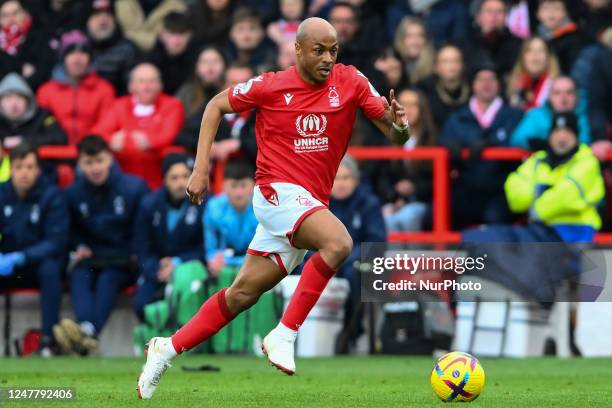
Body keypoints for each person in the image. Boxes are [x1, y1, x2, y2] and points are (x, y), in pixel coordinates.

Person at [137, 17, 411, 399]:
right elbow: (215, 106)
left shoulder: (351, 81)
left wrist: (400, 126)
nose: (328, 58)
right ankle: (284, 333)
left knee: (241, 295)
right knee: (339, 243)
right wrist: (201, 169)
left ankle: (164, 349)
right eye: (319, 50)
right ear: (297, 49)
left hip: (309, 203)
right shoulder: (270, 85)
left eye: (333, 50)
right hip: (276, 193)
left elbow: (396, 136)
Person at [56, 135, 149, 355]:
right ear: (80, 164)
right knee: (79, 274)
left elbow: (143, 231)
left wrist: (137, 256)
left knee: (109, 277)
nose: (95, 168)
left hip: (123, 261)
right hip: (91, 257)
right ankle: (87, 332)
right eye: (89, 163)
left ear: (110, 159)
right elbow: (69, 230)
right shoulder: (73, 194)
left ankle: (86, 331)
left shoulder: (134, 188)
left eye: (99, 161)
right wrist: (78, 245)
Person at [0, 143, 69, 355]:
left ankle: (48, 341)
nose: (24, 173)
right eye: (19, 167)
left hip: (36, 264)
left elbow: (56, 241)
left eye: (30, 167)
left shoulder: (52, 196)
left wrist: (22, 257)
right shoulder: (1, 194)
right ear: (10, 169)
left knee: (50, 269)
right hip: (7, 266)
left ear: (37, 170)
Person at [440, 66, 523, 229]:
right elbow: (444, 144)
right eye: (481, 79)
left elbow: (521, 144)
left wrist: (491, 143)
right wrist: (450, 147)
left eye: (491, 79)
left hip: (502, 190)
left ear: (499, 85)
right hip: (466, 189)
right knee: (435, 215)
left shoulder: (514, 116)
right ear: (473, 85)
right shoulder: (458, 118)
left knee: (495, 218)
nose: (486, 84)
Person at [132, 153, 204, 319]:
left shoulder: (203, 203)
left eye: (185, 176)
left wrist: (178, 262)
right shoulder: (148, 205)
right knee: (141, 305)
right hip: (156, 269)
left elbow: (204, 247)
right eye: (174, 177)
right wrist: (156, 268)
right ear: (164, 180)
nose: (181, 183)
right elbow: (141, 246)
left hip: (188, 268)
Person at [91, 63, 185, 188]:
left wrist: (150, 141)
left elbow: (169, 135)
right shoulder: (119, 106)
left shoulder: (172, 105)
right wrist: (110, 141)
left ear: (160, 85)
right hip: (123, 178)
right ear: (131, 86)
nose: (147, 86)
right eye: (141, 81)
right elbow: (97, 134)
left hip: (160, 179)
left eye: (152, 81)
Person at [329, 155, 386, 348]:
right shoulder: (319, 202)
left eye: (346, 178)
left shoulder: (368, 203)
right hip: (325, 257)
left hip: (355, 261)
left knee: (355, 273)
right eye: (336, 178)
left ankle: (350, 332)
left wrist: (343, 257)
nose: (341, 184)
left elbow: (376, 242)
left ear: (355, 180)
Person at [37, 30, 116, 145]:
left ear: (90, 59)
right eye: (71, 53)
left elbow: (107, 125)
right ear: (63, 58)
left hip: (92, 152)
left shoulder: (104, 89)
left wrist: (87, 144)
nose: (77, 59)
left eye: (83, 53)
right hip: (54, 153)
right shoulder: (46, 91)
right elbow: (41, 126)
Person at [204, 160, 258, 278]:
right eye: (233, 186)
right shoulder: (214, 208)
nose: (239, 193)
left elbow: (265, 254)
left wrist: (230, 261)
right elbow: (210, 250)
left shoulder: (263, 208)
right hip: (223, 268)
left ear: (254, 186)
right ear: (224, 186)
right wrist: (213, 260)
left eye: (243, 186)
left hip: (254, 266)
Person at [511, 76, 591, 149]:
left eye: (569, 92)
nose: (563, 98)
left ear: (577, 96)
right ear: (549, 96)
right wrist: (548, 146)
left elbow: (586, 142)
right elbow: (518, 139)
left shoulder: (587, 118)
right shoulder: (536, 116)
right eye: (557, 93)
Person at [0, 0, 56, 90]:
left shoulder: (41, 38)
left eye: (15, 13)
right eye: (5, 15)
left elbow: (43, 72)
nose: (11, 18)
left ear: (26, 13)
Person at [0, 73, 66, 149]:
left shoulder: (42, 116)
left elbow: (60, 138)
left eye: (20, 97)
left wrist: (25, 141)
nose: (14, 104)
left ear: (28, 100)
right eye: (8, 97)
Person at [86, 0, 139, 95]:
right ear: (88, 20)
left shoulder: (127, 50)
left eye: (108, 15)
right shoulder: (78, 47)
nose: (103, 20)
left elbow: (132, 90)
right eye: (97, 15)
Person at [461, 0, 522, 79]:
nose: (494, 16)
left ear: (506, 16)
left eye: (499, 12)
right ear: (478, 16)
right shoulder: (465, 44)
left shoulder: (518, 45)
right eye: (489, 11)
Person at [144, 11, 196, 95]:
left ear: (190, 35)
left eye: (182, 33)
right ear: (161, 35)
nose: (177, 40)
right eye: (172, 33)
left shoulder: (198, 60)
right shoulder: (149, 62)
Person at [536, 0, 590, 74]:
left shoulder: (575, 39)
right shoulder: (535, 38)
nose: (551, 13)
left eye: (557, 8)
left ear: (566, 13)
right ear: (538, 13)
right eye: (546, 8)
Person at [507, 36, 560, 111]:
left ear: (548, 57)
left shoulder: (558, 85)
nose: (535, 55)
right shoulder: (513, 84)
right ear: (523, 57)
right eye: (529, 50)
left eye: (541, 50)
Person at [115, 0, 187, 52]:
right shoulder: (122, 3)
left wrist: (129, 35)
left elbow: (171, 38)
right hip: (123, 53)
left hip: (163, 57)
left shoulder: (177, 7)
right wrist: (156, 39)